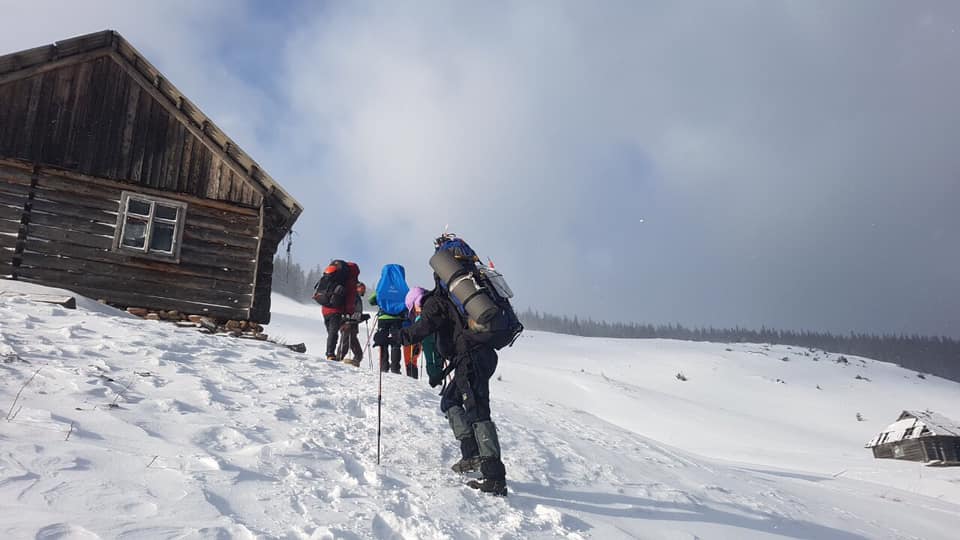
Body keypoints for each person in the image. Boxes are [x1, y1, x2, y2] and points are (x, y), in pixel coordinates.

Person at [400, 276, 509, 496]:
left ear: (416, 303)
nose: (417, 314)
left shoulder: (434, 303)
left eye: (414, 310)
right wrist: (439, 372)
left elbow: (423, 328)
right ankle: (471, 454)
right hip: (474, 357)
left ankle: (494, 476)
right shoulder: (446, 302)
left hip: (472, 358)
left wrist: (395, 336)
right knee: (449, 401)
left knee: (477, 410)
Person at [369, 264, 408, 374]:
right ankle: (395, 368)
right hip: (398, 318)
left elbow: (372, 300)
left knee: (383, 341)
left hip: (383, 317)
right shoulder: (402, 287)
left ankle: (384, 367)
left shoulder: (383, 286)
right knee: (396, 342)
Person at [320, 261, 360, 361]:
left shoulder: (336, 275)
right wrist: (349, 312)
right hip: (336, 309)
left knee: (331, 332)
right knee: (333, 333)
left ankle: (331, 353)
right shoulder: (349, 280)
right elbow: (350, 298)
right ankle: (330, 354)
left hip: (325, 307)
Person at [338, 281, 371, 366]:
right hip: (347, 325)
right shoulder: (352, 297)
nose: (363, 291)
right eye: (362, 288)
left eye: (364, 289)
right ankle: (336, 363)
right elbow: (350, 313)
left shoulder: (356, 298)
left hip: (352, 326)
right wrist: (362, 317)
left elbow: (354, 314)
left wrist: (362, 317)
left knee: (358, 353)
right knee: (344, 347)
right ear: (357, 288)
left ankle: (353, 364)